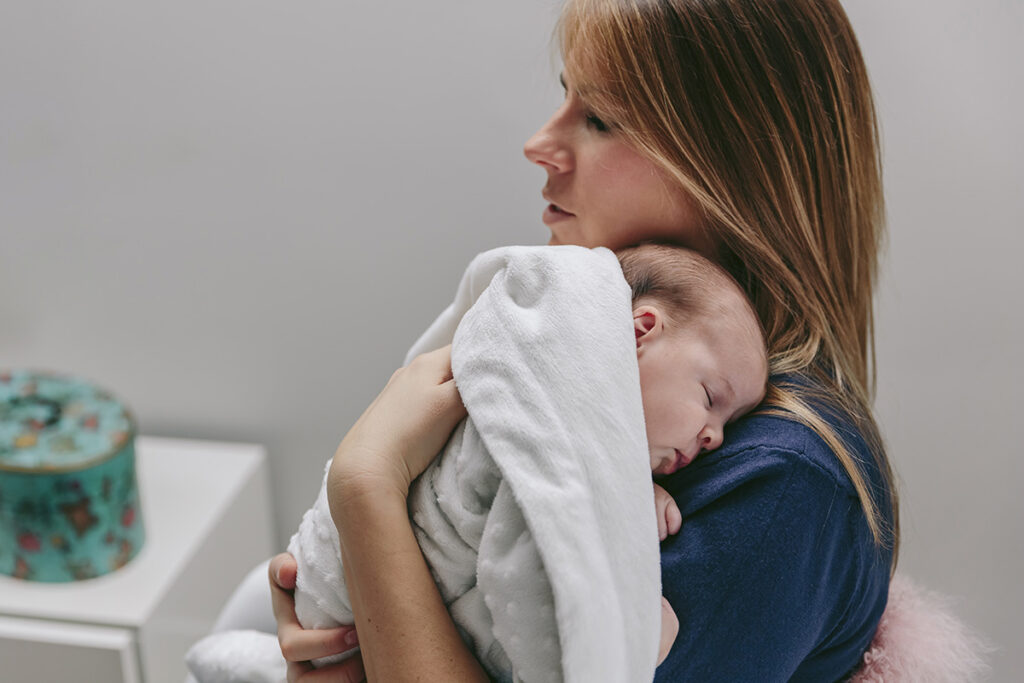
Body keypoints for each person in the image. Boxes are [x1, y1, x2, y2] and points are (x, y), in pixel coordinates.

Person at [269, 0, 899, 680]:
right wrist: (350, 611)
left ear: (730, 167)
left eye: (599, 118)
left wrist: (366, 489)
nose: (540, 143)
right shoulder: (602, 367)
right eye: (567, 96)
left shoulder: (781, 490)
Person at [213, 244, 763, 681]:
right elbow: (523, 572)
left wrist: (366, 480)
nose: (716, 437)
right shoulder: (529, 416)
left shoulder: (776, 474)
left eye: (729, 423)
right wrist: (635, 631)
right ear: (642, 330)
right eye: (711, 398)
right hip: (348, 612)